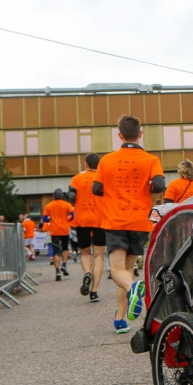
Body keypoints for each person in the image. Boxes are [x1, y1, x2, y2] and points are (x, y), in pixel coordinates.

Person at [94, 115, 166, 335]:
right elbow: (160, 185)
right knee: (127, 269)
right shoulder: (151, 159)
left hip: (116, 219)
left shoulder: (106, 160)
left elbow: (97, 189)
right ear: (140, 134)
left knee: (117, 270)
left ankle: (133, 287)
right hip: (140, 221)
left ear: (120, 134)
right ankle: (120, 319)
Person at [68, 153, 107, 302]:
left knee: (85, 253)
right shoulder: (103, 179)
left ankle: (86, 273)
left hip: (82, 220)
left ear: (86, 164)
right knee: (98, 256)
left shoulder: (77, 178)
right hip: (100, 220)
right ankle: (94, 292)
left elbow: (71, 197)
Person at [42, 189, 73, 281]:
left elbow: (44, 219)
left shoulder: (49, 205)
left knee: (55, 251)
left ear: (54, 196)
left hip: (54, 231)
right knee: (65, 248)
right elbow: (73, 215)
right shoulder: (66, 204)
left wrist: (51, 220)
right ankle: (64, 264)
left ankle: (57, 271)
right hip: (64, 229)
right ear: (62, 196)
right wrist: (67, 220)